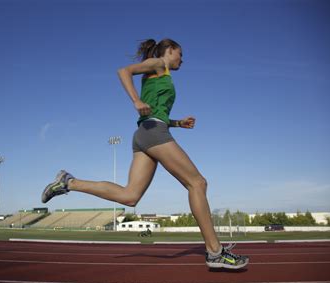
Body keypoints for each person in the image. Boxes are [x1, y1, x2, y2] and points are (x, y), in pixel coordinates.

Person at [41, 38, 249, 269]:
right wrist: (136, 100)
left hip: (145, 133)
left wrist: (178, 123)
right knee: (198, 183)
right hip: (153, 133)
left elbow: (155, 111)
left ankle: (69, 182)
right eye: (180, 54)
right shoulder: (159, 63)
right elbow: (124, 71)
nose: (183, 59)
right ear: (170, 51)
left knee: (130, 196)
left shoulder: (161, 73)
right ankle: (214, 252)